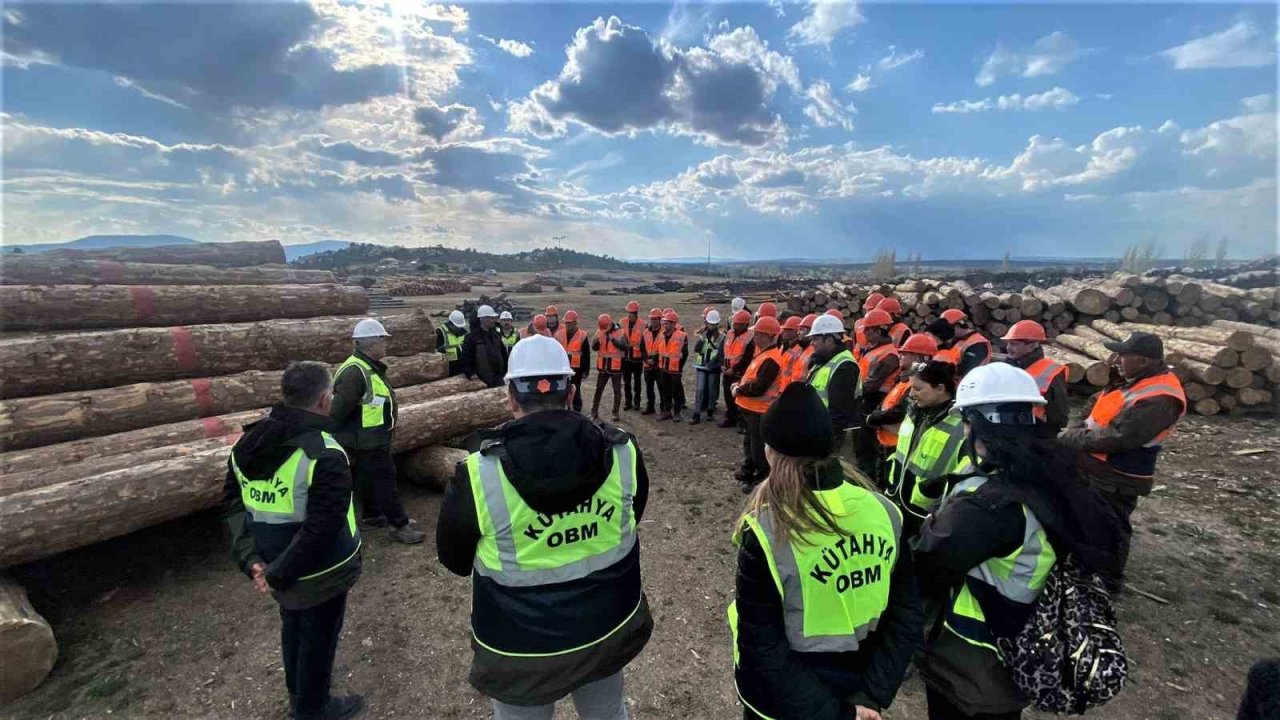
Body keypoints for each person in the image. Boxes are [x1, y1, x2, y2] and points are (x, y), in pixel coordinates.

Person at [436, 335, 654, 720]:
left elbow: (454, 559)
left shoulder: (478, 474)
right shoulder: (622, 452)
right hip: (605, 630)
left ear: (510, 396)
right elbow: (631, 515)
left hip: (521, 651)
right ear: (570, 392)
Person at [915, 363, 1121, 720]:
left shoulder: (989, 506)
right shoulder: (1052, 474)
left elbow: (927, 562)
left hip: (977, 656)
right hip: (1027, 638)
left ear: (977, 425)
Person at [730, 382, 924, 720]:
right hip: (859, 683)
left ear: (771, 451)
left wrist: (837, 714)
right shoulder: (885, 510)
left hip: (784, 699)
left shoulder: (767, 528)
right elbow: (905, 615)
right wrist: (870, 696)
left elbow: (762, 644)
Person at [220, 361, 365, 720]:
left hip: (272, 564)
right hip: (320, 571)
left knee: (296, 630)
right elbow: (323, 526)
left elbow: (234, 506)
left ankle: (299, 695)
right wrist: (275, 573)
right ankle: (313, 709)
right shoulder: (324, 452)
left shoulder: (245, 444)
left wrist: (253, 560)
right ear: (324, 400)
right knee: (318, 639)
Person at [1057, 331, 1185, 593]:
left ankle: (1106, 584)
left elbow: (1119, 437)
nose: (1115, 359)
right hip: (1093, 466)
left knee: (1109, 527)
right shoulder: (1130, 381)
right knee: (1087, 521)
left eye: (1123, 355)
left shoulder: (1160, 397)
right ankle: (1083, 570)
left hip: (1117, 475)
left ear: (1144, 361)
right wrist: (1077, 429)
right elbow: (1094, 406)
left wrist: (1070, 438)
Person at [330, 319, 424, 544]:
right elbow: (337, 412)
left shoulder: (368, 367)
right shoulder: (355, 372)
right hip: (364, 440)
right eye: (383, 340)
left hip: (370, 438)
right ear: (371, 344)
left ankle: (372, 515)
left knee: (367, 478)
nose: (386, 345)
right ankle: (399, 525)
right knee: (386, 480)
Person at [883, 361, 967, 539]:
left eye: (918, 389)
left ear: (940, 388)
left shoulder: (961, 425)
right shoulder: (915, 411)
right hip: (897, 498)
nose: (912, 394)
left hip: (927, 515)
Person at [866, 334, 940, 483]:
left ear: (918, 357)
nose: (900, 356)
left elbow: (899, 412)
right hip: (888, 441)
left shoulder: (916, 386)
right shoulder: (905, 380)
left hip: (898, 444)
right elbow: (889, 403)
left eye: (905, 353)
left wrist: (873, 418)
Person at [732, 316, 785, 493]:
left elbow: (759, 387)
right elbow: (752, 380)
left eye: (758, 334)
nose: (755, 337)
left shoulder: (771, 358)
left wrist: (739, 390)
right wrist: (740, 386)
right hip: (751, 409)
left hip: (759, 410)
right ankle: (749, 470)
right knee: (749, 443)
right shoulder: (763, 354)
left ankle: (761, 479)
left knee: (758, 447)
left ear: (769, 336)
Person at [853, 310, 900, 481]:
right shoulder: (874, 350)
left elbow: (872, 385)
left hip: (874, 402)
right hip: (866, 401)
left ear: (879, 331)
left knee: (868, 447)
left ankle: (869, 480)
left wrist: (852, 392)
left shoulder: (888, 355)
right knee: (861, 445)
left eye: (868, 330)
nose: (864, 333)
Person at [1000, 320, 1068, 436]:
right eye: (1008, 343)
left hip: (1035, 433)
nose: (1008, 348)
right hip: (1006, 429)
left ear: (1031, 346)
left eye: (1014, 344)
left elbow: (1058, 415)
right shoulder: (1007, 367)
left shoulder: (1052, 371)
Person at [804, 314, 859, 456]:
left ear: (829, 340)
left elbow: (838, 412)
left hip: (825, 434)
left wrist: (824, 439)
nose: (811, 343)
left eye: (815, 339)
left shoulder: (845, 366)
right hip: (815, 427)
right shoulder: (824, 361)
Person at [720, 310, 755, 430]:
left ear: (745, 324)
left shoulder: (750, 338)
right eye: (734, 323)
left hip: (739, 373)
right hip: (726, 371)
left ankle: (741, 422)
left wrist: (734, 369)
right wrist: (721, 365)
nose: (735, 325)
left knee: (739, 397)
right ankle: (731, 417)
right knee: (727, 396)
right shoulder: (729, 333)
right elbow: (722, 350)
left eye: (738, 324)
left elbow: (747, 357)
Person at [590, 313, 629, 421]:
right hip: (603, 367)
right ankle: (594, 412)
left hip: (616, 367)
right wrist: (595, 344)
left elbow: (625, 347)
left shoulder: (621, 332)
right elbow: (594, 348)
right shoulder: (599, 331)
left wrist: (613, 340)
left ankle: (615, 413)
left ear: (611, 323)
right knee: (598, 390)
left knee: (617, 390)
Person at [462, 304, 509, 389]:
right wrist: (470, 372)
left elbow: (503, 354)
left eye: (494, 318)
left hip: (499, 378)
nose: (494, 320)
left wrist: (506, 370)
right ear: (482, 319)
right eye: (491, 318)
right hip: (482, 380)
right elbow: (466, 357)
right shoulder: (472, 337)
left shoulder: (496, 335)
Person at [935, 309, 991, 379]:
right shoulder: (959, 340)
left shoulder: (978, 344)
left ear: (957, 326)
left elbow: (965, 370)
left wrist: (937, 368)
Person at [691, 310, 724, 425]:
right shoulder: (703, 335)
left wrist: (712, 365)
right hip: (701, 366)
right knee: (699, 390)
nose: (712, 326)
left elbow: (720, 353)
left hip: (713, 368)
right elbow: (697, 349)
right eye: (710, 324)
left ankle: (710, 411)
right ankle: (697, 414)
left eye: (714, 324)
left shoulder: (722, 337)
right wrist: (702, 337)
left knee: (711, 390)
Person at [654, 310, 688, 421]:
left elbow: (685, 353)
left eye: (667, 323)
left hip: (675, 369)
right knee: (665, 391)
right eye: (664, 323)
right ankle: (666, 411)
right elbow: (658, 351)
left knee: (676, 391)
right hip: (663, 368)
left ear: (674, 324)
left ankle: (677, 413)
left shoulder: (681, 336)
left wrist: (679, 366)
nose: (664, 325)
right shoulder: (661, 335)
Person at [557, 310, 590, 414]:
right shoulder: (560, 334)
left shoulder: (582, 335)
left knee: (576, 389)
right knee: (562, 388)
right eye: (566, 323)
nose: (567, 325)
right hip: (563, 368)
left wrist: (586, 370)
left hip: (576, 369)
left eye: (569, 323)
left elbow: (586, 354)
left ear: (575, 323)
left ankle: (576, 408)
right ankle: (562, 408)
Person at [620, 301, 645, 411]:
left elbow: (645, 343)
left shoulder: (643, 325)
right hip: (625, 358)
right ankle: (628, 402)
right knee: (627, 382)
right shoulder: (622, 322)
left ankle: (637, 402)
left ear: (636, 313)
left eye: (631, 313)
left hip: (637, 359)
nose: (629, 315)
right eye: (628, 312)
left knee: (637, 382)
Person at [640, 308, 663, 415]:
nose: (653, 321)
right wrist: (646, 360)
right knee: (649, 388)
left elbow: (665, 349)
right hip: (648, 365)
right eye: (652, 319)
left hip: (659, 365)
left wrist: (655, 360)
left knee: (661, 388)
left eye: (655, 319)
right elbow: (642, 348)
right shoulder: (645, 332)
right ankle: (650, 407)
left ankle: (664, 408)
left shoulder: (664, 332)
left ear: (660, 319)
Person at [852, 293, 885, 358]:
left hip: (860, 358)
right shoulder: (881, 325)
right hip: (865, 358)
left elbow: (855, 341)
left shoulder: (858, 323)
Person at [437, 310, 468, 376]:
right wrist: (458, 354)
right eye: (457, 327)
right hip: (447, 370)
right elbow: (437, 353)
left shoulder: (464, 333)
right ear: (450, 324)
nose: (459, 329)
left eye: (460, 327)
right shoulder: (440, 332)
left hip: (462, 369)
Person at [777, 316, 803, 390]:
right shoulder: (783, 345)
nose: (784, 332)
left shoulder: (799, 349)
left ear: (796, 331)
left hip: (788, 388)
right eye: (784, 329)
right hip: (779, 387)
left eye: (788, 330)